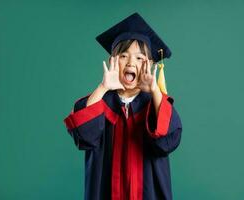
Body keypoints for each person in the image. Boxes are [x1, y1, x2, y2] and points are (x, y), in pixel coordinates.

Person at [64, 12, 182, 200]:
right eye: (123, 55)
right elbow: (83, 135)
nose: (130, 62)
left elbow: (168, 141)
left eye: (139, 58)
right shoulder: (101, 101)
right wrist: (103, 87)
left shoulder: (155, 103)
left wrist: (154, 91)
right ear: (113, 61)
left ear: (149, 65)